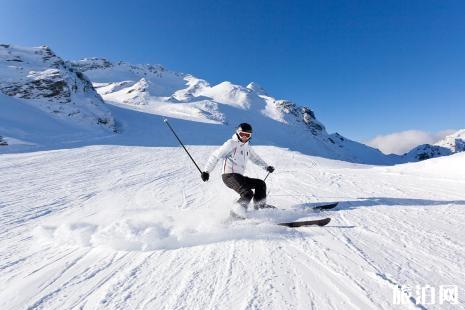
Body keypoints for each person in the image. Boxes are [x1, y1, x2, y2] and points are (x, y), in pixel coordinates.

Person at [201, 123, 275, 218]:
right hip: (229, 176)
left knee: (260, 184)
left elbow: (255, 158)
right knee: (247, 193)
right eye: (242, 134)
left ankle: (260, 207)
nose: (244, 137)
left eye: (247, 135)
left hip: (239, 177)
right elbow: (215, 155)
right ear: (237, 133)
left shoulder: (247, 147)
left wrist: (266, 166)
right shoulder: (231, 143)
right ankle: (235, 215)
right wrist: (206, 171)